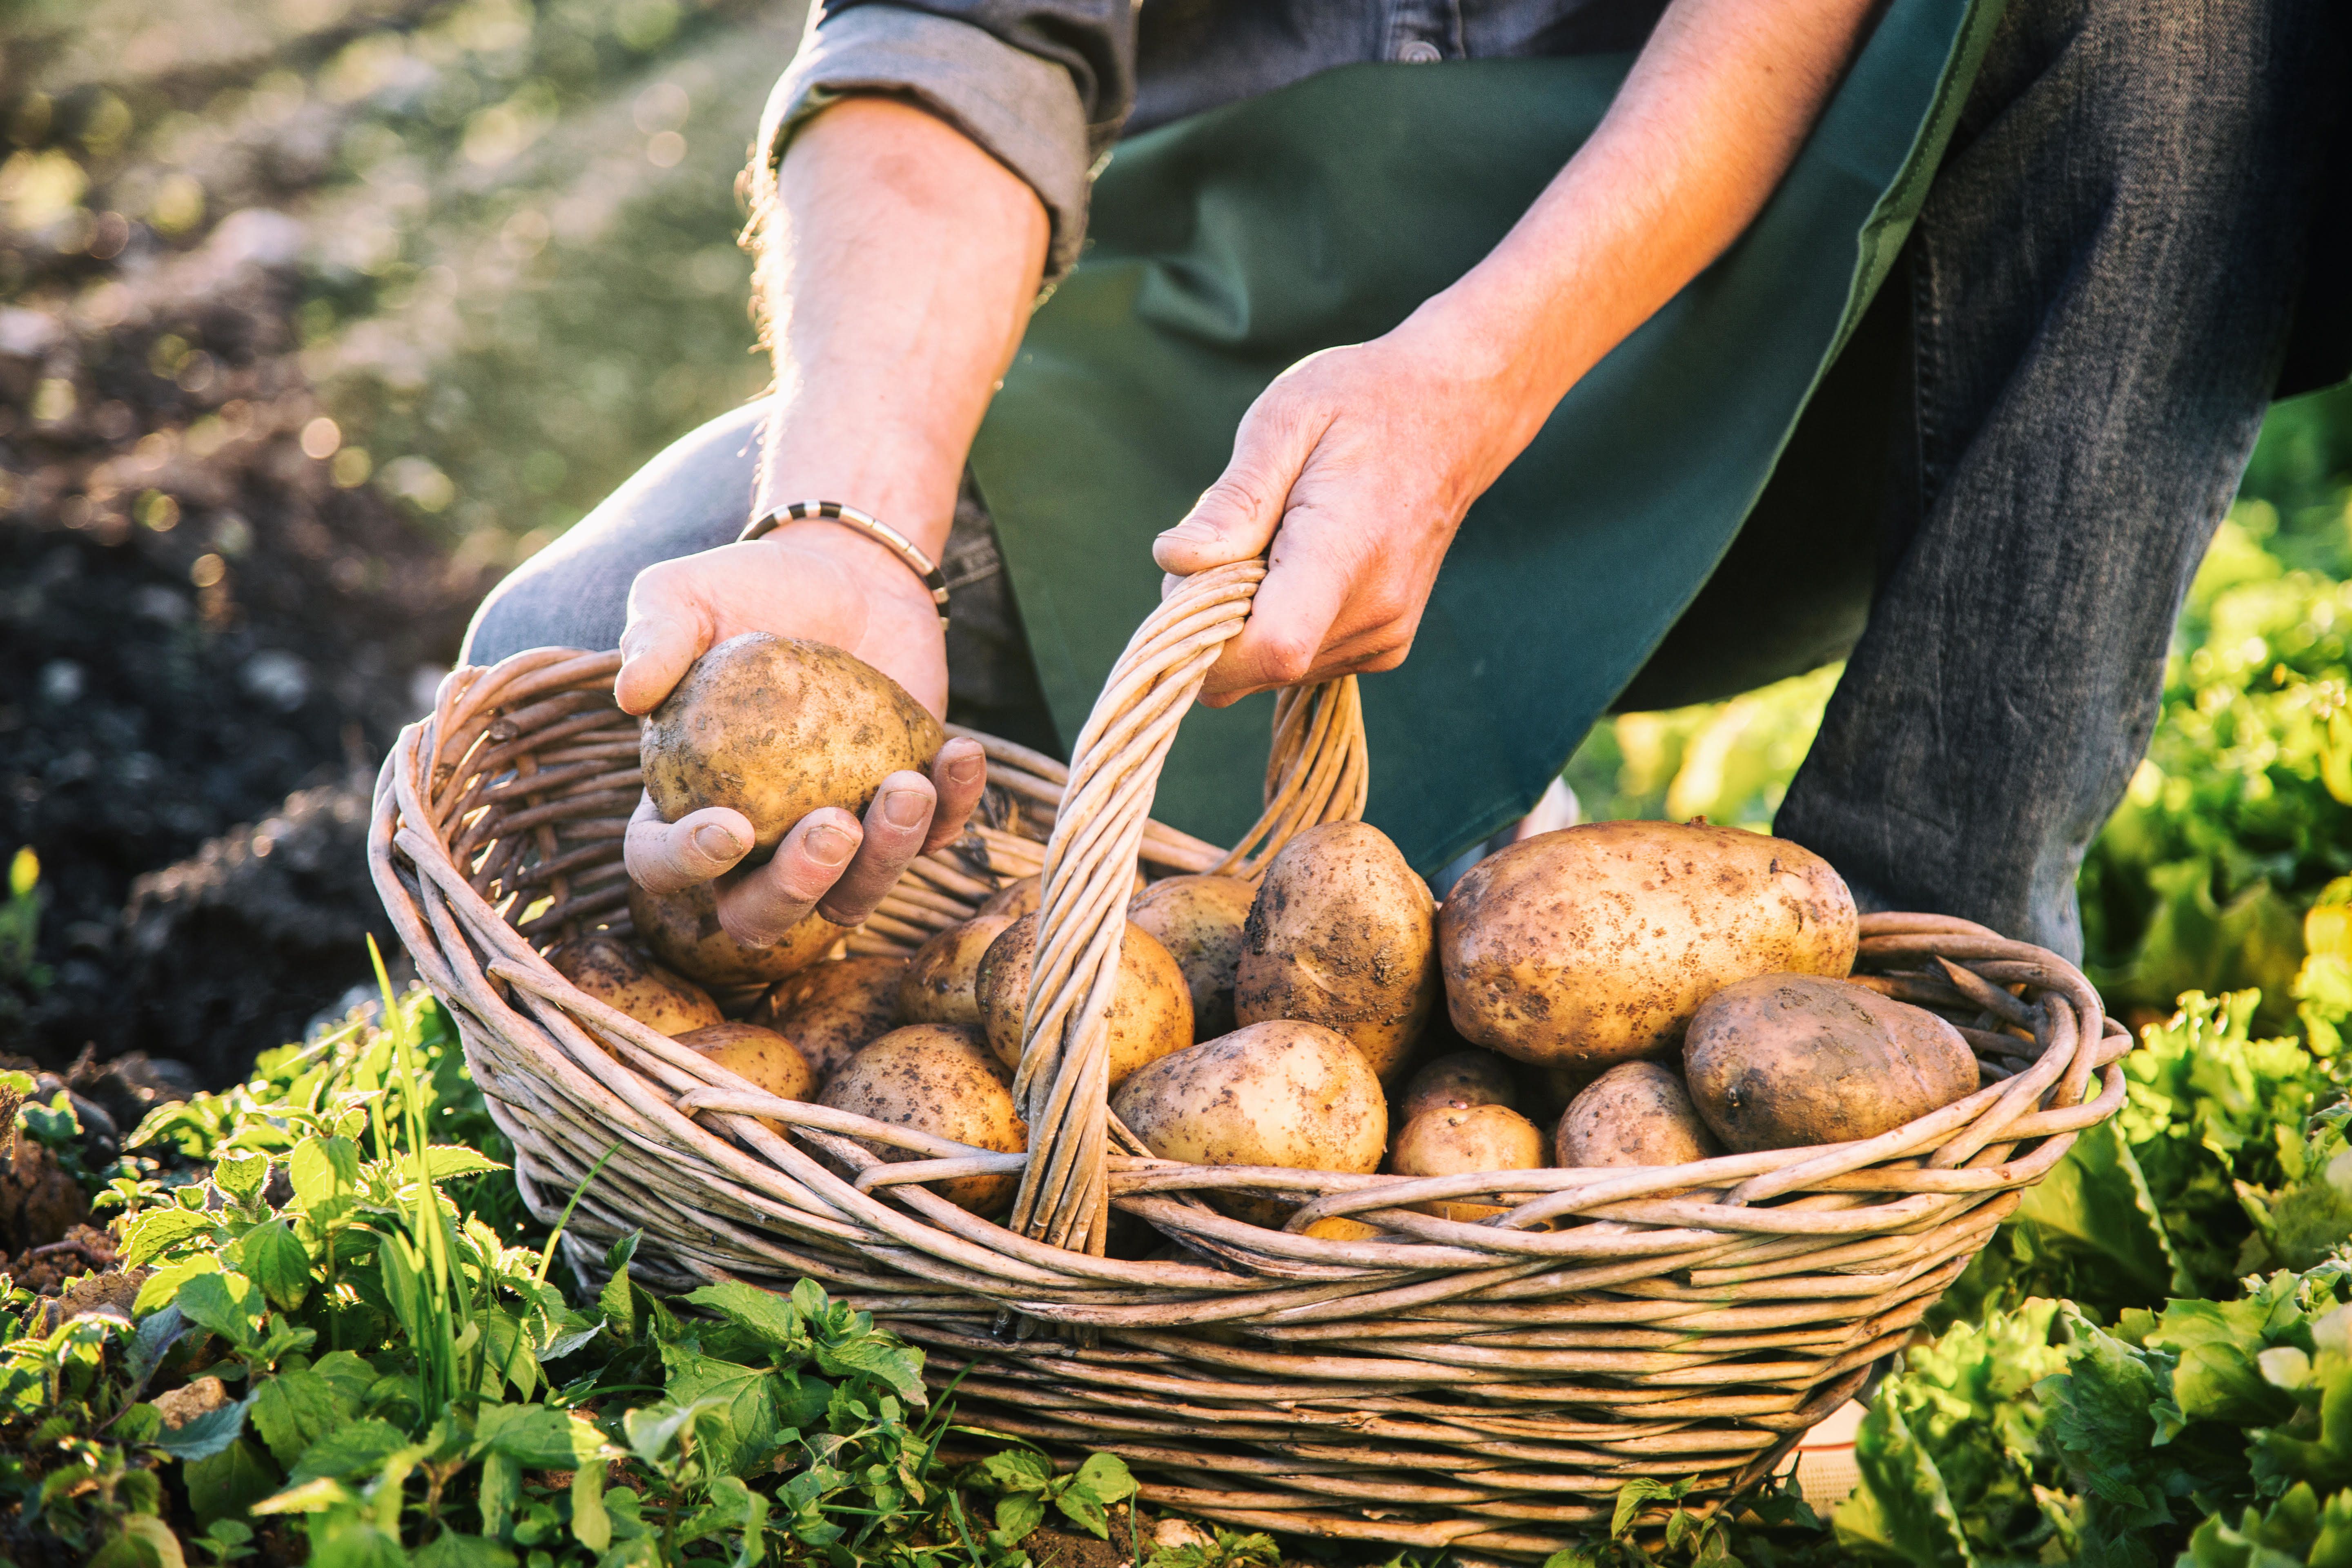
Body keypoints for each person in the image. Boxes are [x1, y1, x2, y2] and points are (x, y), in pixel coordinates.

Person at [464, 0, 2347, 963]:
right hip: (1217, 401)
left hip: (1775, 318)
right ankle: (1415, 811)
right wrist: (849, 531)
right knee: (558, 665)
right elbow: (958, 38)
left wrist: (1470, 377)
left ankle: (1923, 968)